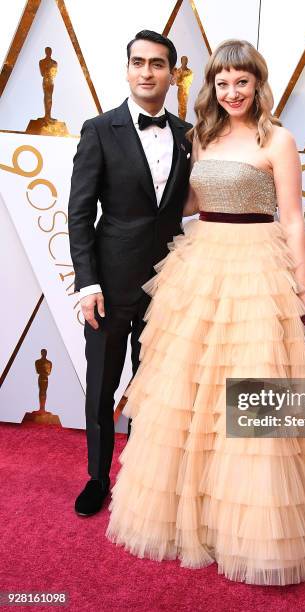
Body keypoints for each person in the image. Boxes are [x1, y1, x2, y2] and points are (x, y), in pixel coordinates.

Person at [106, 39, 305, 585]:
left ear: (257, 84)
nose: (232, 92)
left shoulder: (279, 140)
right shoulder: (200, 139)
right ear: (211, 88)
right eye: (222, 83)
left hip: (258, 266)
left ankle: (262, 526)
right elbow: (191, 202)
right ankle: (201, 517)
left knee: (258, 389)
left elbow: (292, 218)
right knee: (192, 398)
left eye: (242, 81)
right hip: (203, 262)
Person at [68, 30, 192, 517]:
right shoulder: (99, 129)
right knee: (101, 385)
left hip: (167, 285)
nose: (146, 72)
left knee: (152, 386)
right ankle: (98, 478)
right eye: (138, 62)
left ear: (171, 74)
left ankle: (141, 480)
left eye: (157, 64)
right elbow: (79, 213)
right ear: (127, 70)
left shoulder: (186, 135)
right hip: (109, 285)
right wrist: (88, 283)